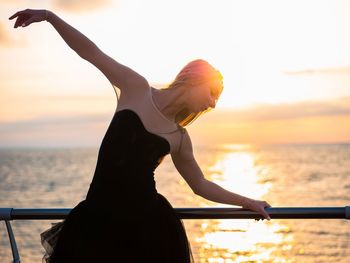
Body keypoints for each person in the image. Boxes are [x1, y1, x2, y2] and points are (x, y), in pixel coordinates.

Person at [9, 9, 271, 263]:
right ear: (196, 78)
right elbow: (90, 52)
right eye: (212, 93)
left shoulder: (179, 137)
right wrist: (49, 16)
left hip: (147, 228)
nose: (212, 104)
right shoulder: (136, 88)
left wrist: (248, 202)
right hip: (96, 222)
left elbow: (200, 184)